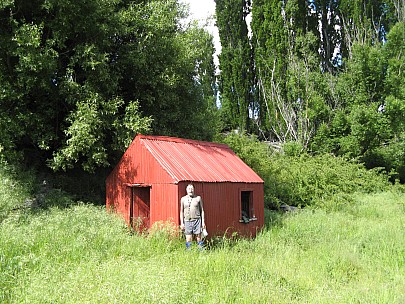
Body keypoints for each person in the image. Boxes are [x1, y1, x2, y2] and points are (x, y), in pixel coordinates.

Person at [180, 184, 205, 250]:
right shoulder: (183, 199)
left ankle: (201, 251)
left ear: (194, 190)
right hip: (187, 221)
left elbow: (202, 211)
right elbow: (181, 211)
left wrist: (203, 223)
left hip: (197, 220)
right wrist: (182, 223)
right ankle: (189, 252)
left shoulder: (198, 198)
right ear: (186, 190)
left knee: (199, 237)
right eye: (189, 189)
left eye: (192, 189)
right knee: (188, 238)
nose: (190, 190)